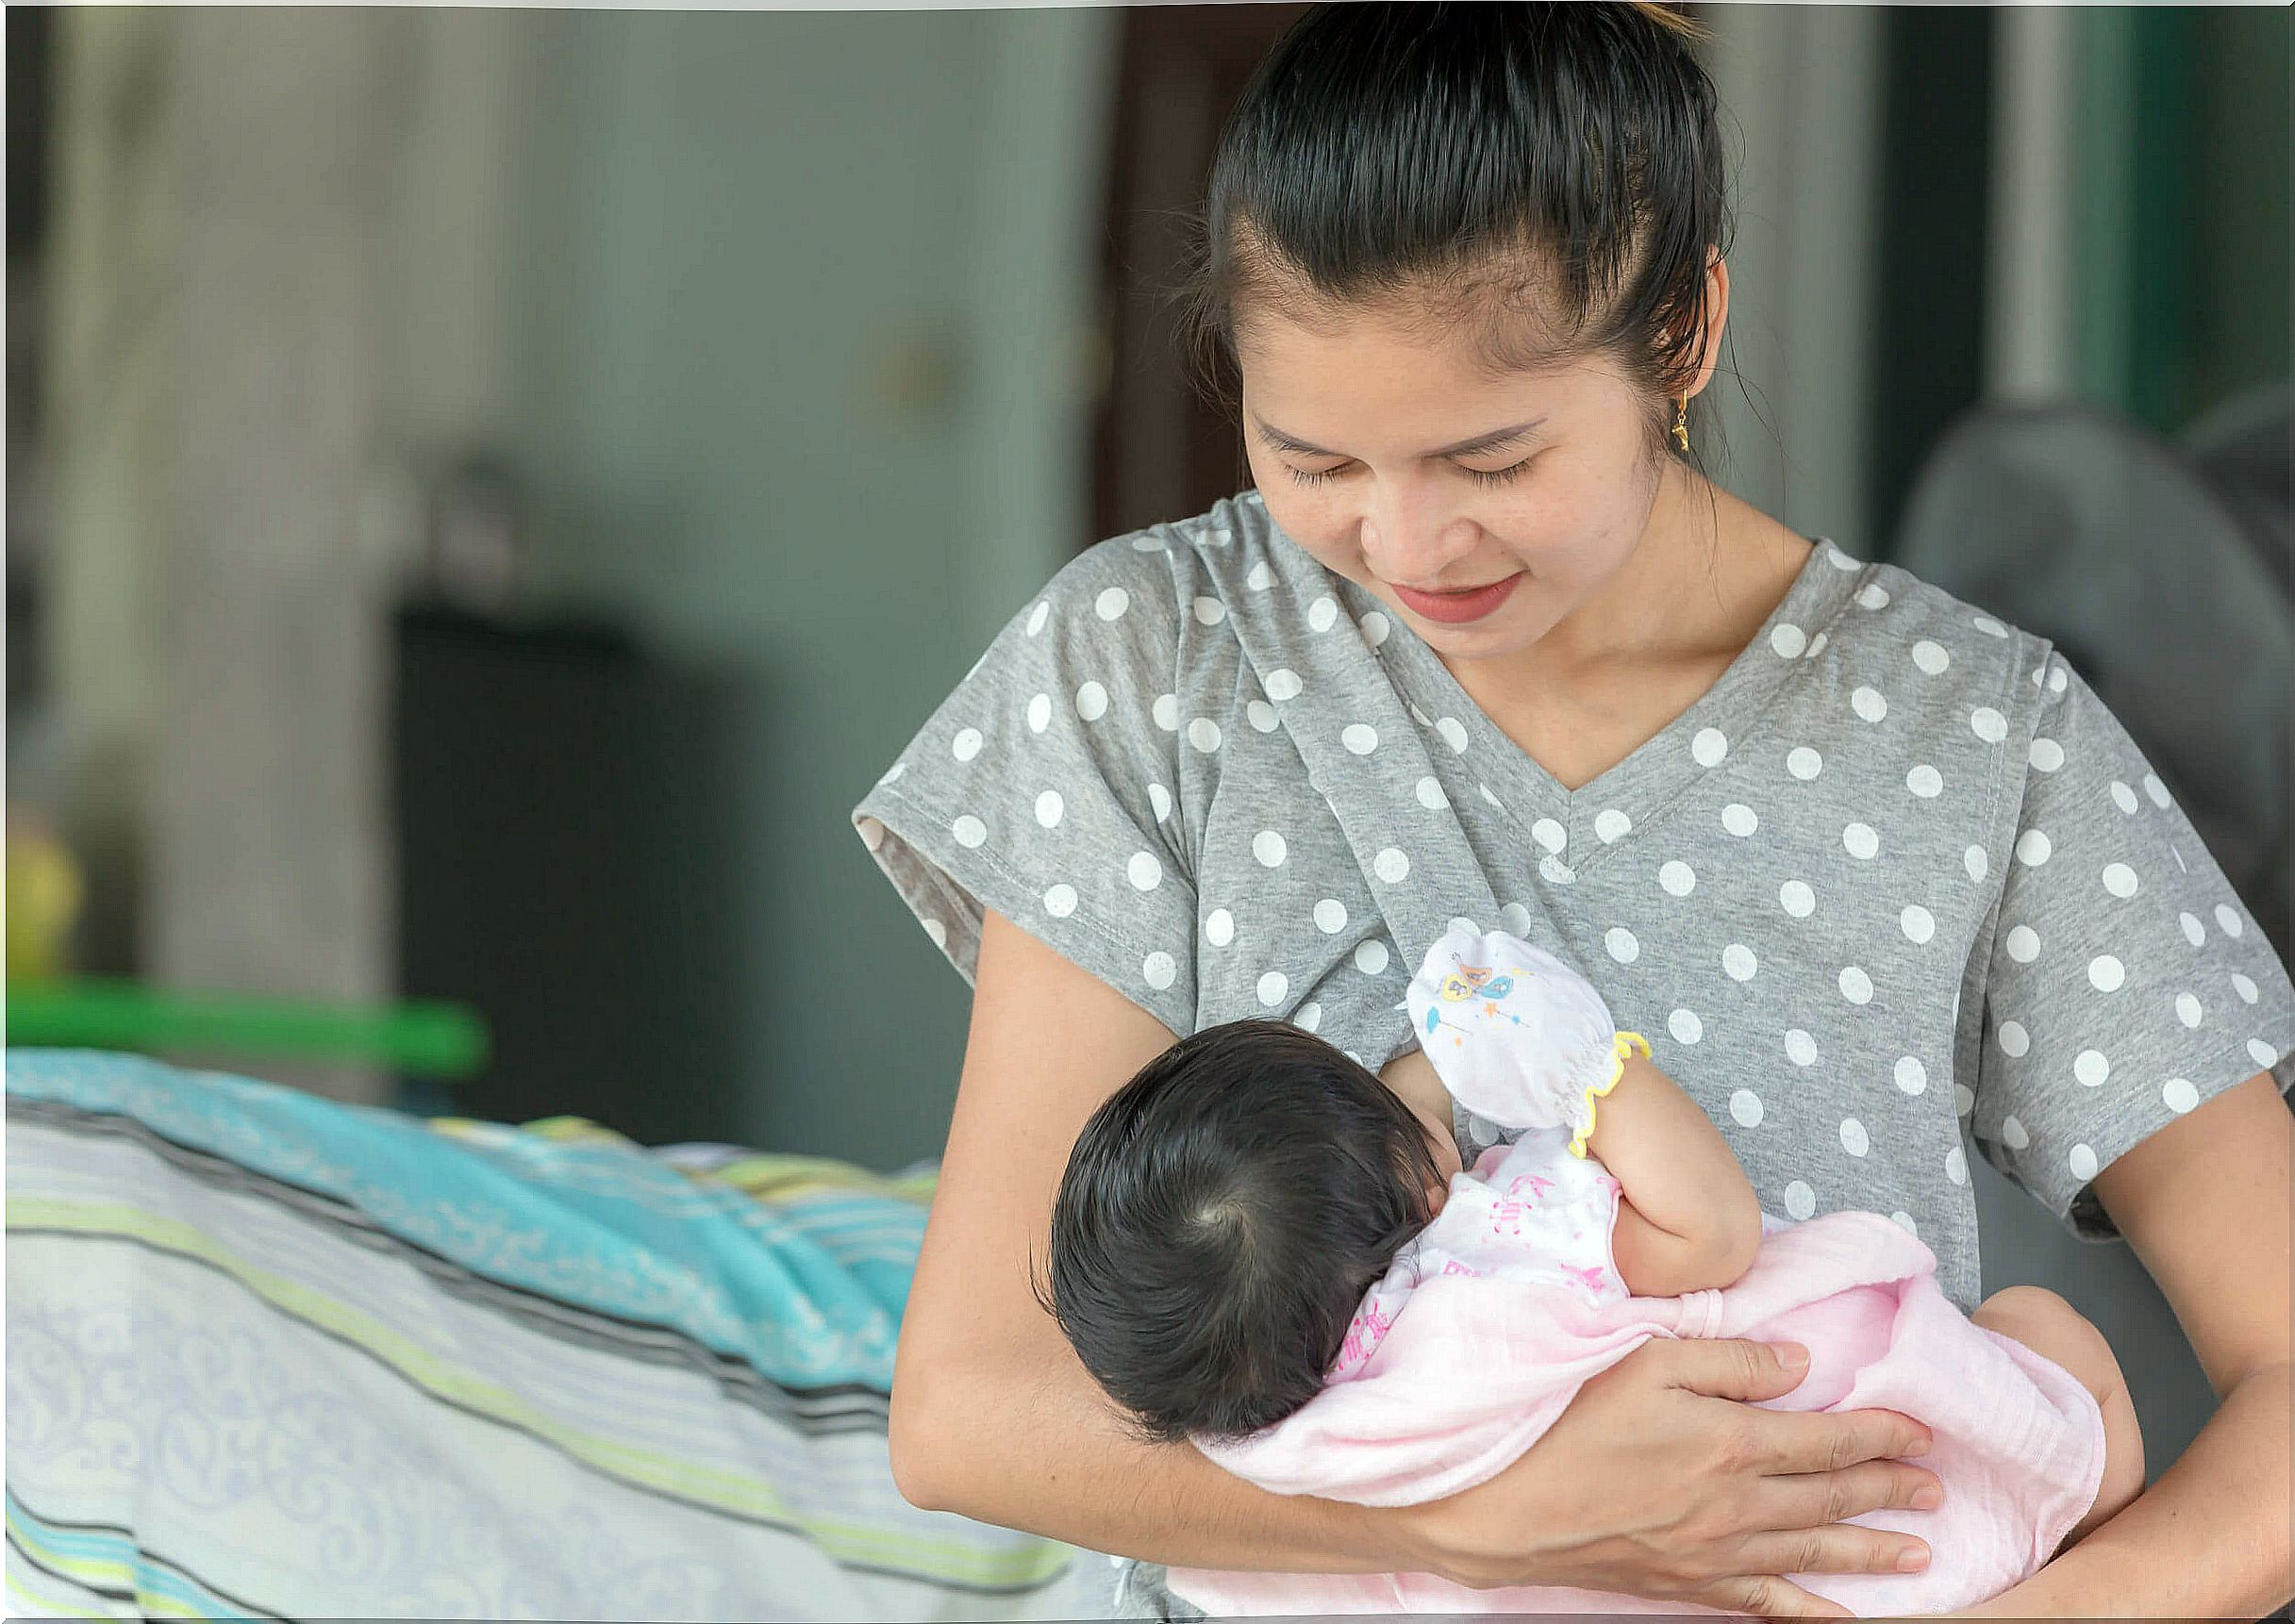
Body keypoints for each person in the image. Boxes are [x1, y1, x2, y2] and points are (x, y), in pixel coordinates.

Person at [851, 4, 2295, 1617]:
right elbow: (971, 1413)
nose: (1403, 544)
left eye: (1490, 456)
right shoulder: (1154, 660)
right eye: (1309, 454)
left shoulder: (1974, 732)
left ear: (1681, 335)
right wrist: (1489, 1515)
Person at [1033, 924, 2142, 1616]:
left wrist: (1399, 1102)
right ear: (1430, 1189)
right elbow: (1711, 1233)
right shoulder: (1499, 1258)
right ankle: (2057, 1509)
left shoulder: (1290, 1444)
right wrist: (1575, 1063)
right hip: (1901, 1472)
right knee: (2041, 1330)